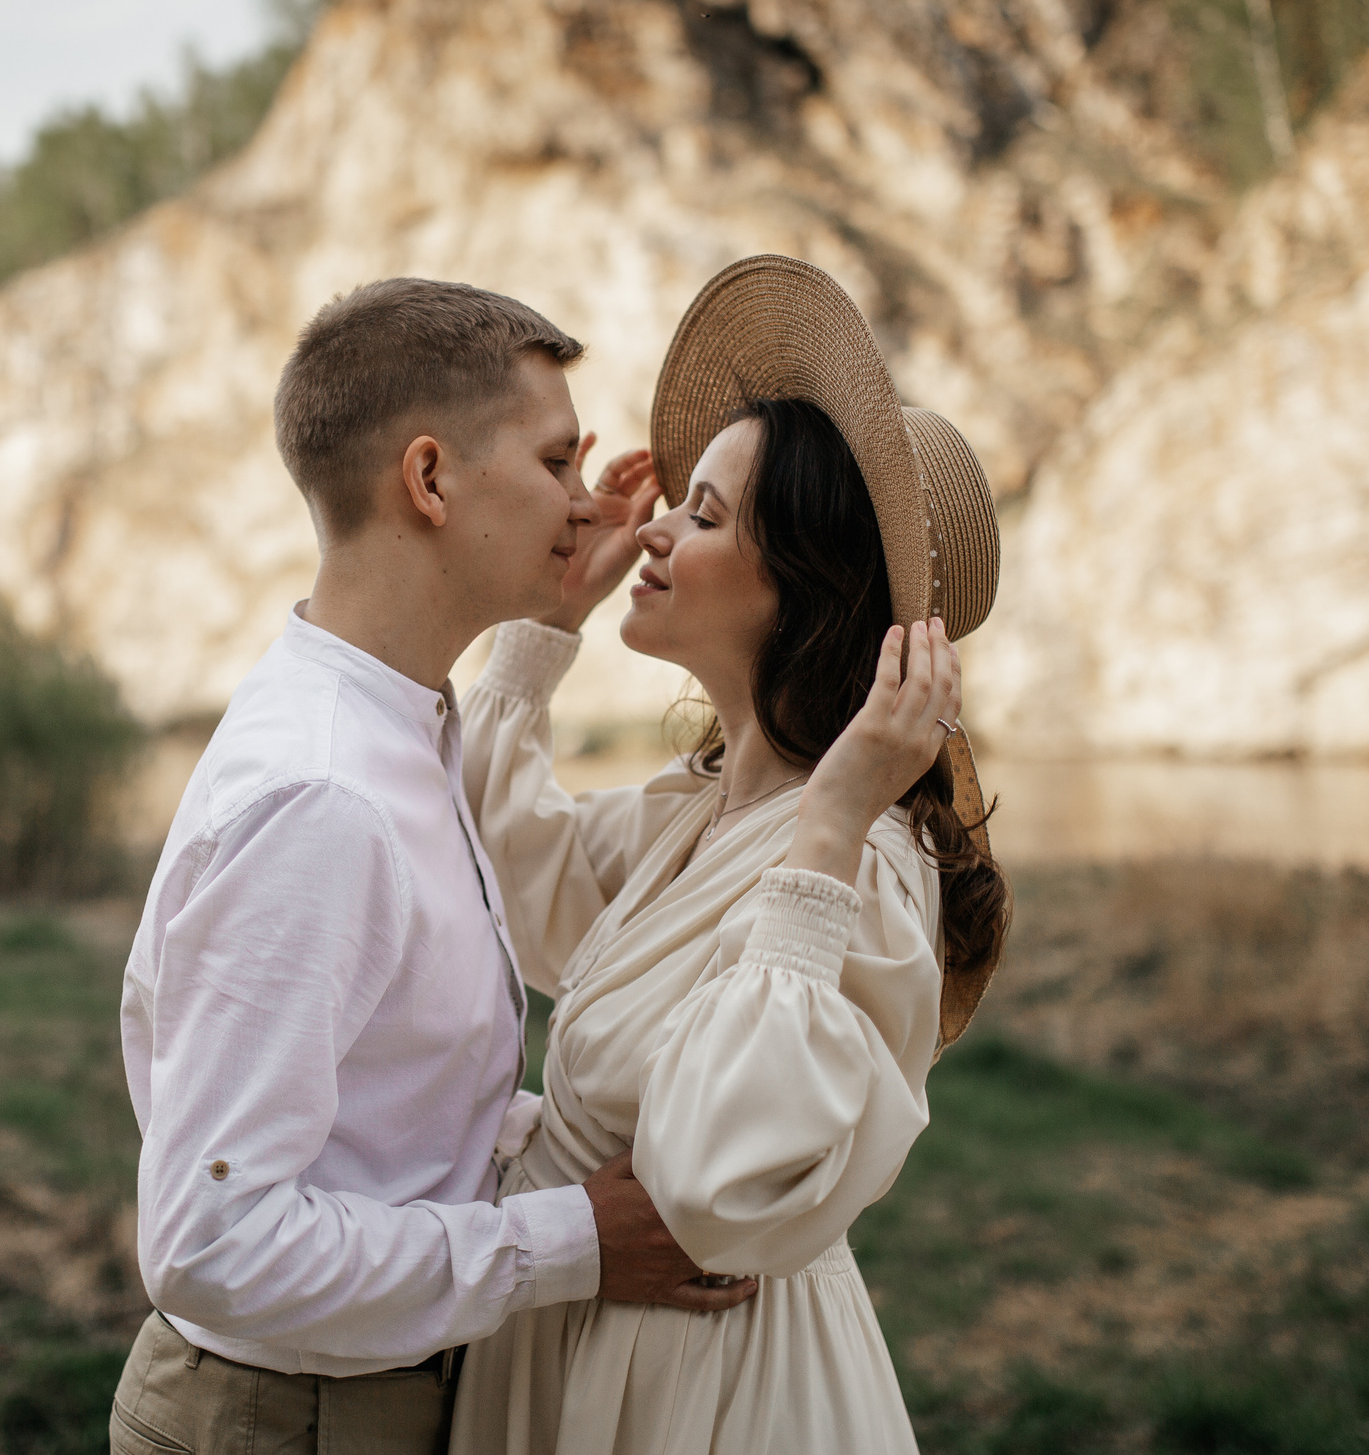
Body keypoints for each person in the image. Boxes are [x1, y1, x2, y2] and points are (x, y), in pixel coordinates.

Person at [111, 278, 756, 1455]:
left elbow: (383, 1106)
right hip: (285, 1424)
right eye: (558, 461)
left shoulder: (398, 726)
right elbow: (212, 1242)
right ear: (428, 481)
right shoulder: (323, 798)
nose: (585, 503)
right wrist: (579, 1240)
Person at [446, 255, 1013, 1454]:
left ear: (800, 591)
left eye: (703, 515)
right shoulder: (702, 808)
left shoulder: (856, 860)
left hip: (710, 1396)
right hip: (595, 1360)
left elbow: (714, 1185)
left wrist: (833, 822)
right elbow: (500, 864)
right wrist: (547, 625)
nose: (650, 524)